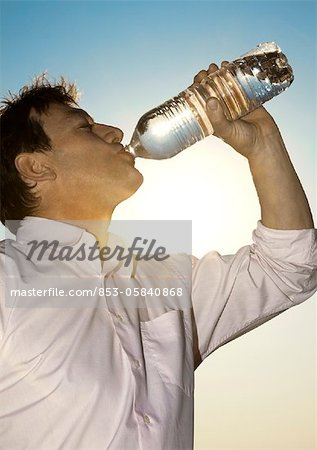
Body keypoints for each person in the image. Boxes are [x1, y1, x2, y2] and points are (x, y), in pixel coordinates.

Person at [0, 64, 316, 450]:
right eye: (84, 127)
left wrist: (263, 143)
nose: (114, 132)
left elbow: (289, 268)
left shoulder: (165, 276)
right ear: (36, 166)